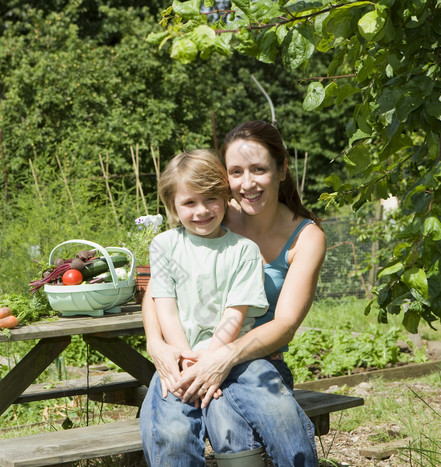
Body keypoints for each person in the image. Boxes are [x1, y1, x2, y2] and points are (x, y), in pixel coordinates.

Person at [139, 121, 326, 467]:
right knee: (177, 430)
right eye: (236, 172)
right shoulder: (214, 216)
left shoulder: (304, 237)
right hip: (189, 357)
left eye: (259, 169)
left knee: (237, 428)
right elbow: (158, 292)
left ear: (282, 169)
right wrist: (156, 344)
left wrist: (219, 358)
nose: (247, 183)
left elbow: (285, 324)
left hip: (256, 361)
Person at [148, 148, 269, 381]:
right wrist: (187, 360)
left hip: (230, 359)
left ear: (225, 197)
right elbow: (167, 312)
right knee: (170, 411)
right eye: (189, 202)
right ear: (173, 207)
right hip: (179, 357)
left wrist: (208, 362)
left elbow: (233, 316)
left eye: (210, 198)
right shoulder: (163, 246)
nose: (201, 210)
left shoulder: (244, 250)